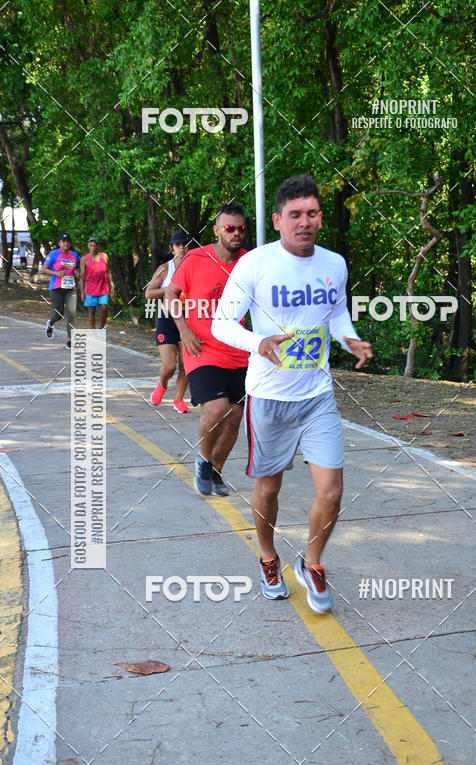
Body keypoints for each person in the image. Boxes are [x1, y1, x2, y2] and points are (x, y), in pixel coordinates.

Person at [212, 175, 372, 613]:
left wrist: (349, 340)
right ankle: (268, 558)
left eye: (312, 214)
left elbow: (335, 313)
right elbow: (221, 324)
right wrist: (257, 342)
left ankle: (312, 563)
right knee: (268, 489)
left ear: (321, 218)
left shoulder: (334, 264)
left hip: (317, 394)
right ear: (278, 220)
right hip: (268, 396)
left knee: (332, 491)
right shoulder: (255, 265)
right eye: (295, 215)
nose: (305, 222)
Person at [165, 203, 249, 496]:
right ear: (216, 230)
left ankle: (216, 471)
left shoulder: (250, 262)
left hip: (237, 350)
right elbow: (171, 294)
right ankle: (203, 459)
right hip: (201, 347)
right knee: (216, 409)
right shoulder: (195, 259)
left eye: (240, 228)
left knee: (236, 417)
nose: (235, 233)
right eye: (229, 228)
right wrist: (184, 329)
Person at [145, 231, 190, 414]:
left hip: (188, 319)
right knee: (170, 365)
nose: (181, 247)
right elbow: (149, 293)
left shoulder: (194, 267)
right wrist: (170, 291)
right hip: (167, 318)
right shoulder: (165, 268)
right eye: (177, 245)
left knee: (186, 365)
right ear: (172, 248)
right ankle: (162, 385)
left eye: (184, 244)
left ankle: (178, 399)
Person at [43, 233, 80, 349]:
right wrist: (56, 273)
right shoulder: (54, 254)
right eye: (63, 241)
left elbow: (77, 270)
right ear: (59, 243)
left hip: (70, 288)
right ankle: (50, 323)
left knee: (71, 314)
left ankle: (70, 341)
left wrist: (78, 273)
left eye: (68, 241)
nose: (66, 243)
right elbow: (44, 269)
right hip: (56, 288)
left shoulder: (74, 255)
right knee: (59, 314)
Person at [80, 237, 114, 329]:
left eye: (95, 245)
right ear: (88, 246)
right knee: (92, 311)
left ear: (98, 246)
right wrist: (82, 293)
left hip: (103, 289)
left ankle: (101, 328)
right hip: (90, 289)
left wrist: (112, 285)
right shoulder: (84, 259)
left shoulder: (104, 256)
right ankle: (93, 330)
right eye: (91, 245)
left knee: (104, 309)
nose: (93, 247)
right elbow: (82, 277)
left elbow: (108, 272)